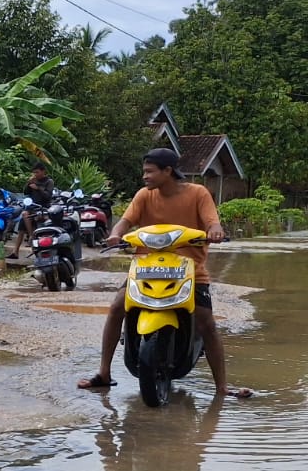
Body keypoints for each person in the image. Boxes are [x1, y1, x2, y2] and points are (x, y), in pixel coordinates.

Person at [76, 147, 252, 400]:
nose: (145, 177)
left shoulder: (198, 193)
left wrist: (215, 230)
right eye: (144, 172)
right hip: (147, 267)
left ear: (167, 171)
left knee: (207, 323)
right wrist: (116, 234)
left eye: (149, 172)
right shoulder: (144, 196)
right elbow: (125, 221)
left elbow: (212, 221)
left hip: (190, 270)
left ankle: (222, 387)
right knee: (117, 308)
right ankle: (103, 373)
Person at [14, 163, 56, 254]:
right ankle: (16, 250)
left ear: (43, 171)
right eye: (34, 173)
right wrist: (28, 183)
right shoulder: (33, 181)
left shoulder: (49, 182)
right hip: (31, 206)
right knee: (22, 222)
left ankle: (34, 241)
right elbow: (26, 192)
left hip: (43, 207)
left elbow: (48, 196)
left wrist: (38, 188)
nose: (35, 175)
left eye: (37, 172)